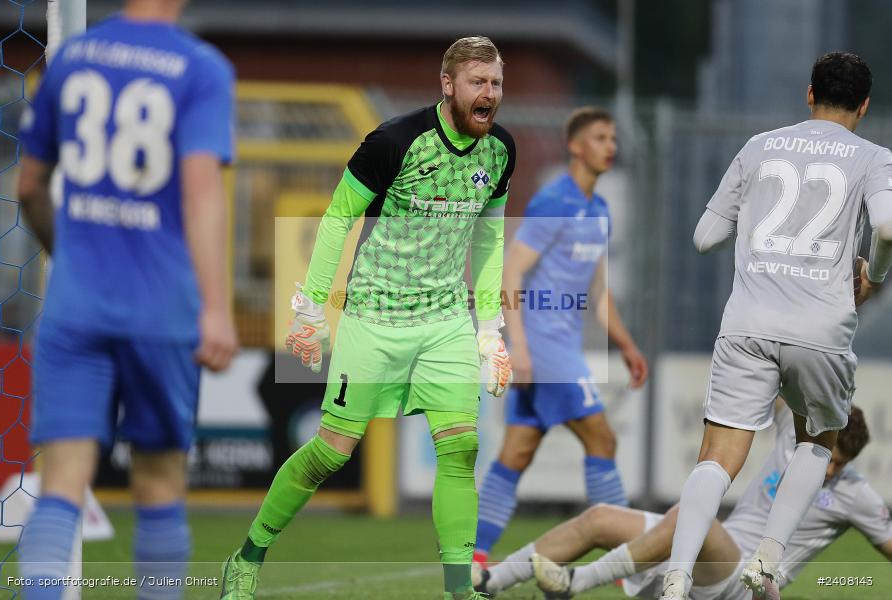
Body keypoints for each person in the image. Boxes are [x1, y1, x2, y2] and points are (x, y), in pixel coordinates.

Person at [220, 36, 516, 600]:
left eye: (496, 82)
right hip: (374, 317)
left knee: (460, 449)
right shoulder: (394, 142)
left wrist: (489, 330)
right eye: (478, 82)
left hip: (444, 322)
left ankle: (459, 590)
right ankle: (248, 556)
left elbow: (490, 236)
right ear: (448, 85)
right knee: (331, 452)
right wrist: (310, 310)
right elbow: (337, 219)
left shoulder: (500, 150)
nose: (490, 93)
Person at [16, 1, 237, 598]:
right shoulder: (201, 68)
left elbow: (29, 185)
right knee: (159, 486)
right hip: (160, 310)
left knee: (60, 485)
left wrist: (70, 258)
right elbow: (201, 192)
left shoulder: (72, 58)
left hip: (74, 308)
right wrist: (217, 307)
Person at [659, 52, 892, 599]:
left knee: (718, 457)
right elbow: (885, 227)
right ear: (863, 106)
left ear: (809, 94)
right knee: (819, 440)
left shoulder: (759, 146)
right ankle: (767, 559)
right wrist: (873, 275)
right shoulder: (873, 157)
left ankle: (676, 576)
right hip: (821, 327)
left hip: (749, 322)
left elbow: (704, 238)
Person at [475, 403, 891, 600]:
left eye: (838, 464)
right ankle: (490, 582)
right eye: (827, 457)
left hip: (745, 585)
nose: (827, 470)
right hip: (705, 556)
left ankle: (576, 583)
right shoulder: (793, 433)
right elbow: (786, 370)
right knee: (599, 518)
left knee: (693, 517)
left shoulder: (856, 495)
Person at [473, 107, 648, 567]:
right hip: (544, 348)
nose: (610, 146)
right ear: (575, 146)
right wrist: (519, 348)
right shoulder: (553, 202)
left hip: (559, 349)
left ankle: (474, 555)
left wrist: (627, 345)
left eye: (613, 138)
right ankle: (625, 560)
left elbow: (599, 292)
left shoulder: (600, 210)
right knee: (602, 440)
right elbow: (511, 273)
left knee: (517, 452)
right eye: (600, 138)